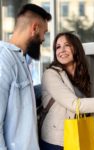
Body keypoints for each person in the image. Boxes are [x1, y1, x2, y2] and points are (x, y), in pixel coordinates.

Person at [0, 3, 51, 150]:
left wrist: (52, 85)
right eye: (44, 33)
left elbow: (20, 98)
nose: (43, 39)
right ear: (35, 28)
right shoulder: (4, 60)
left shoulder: (20, 59)